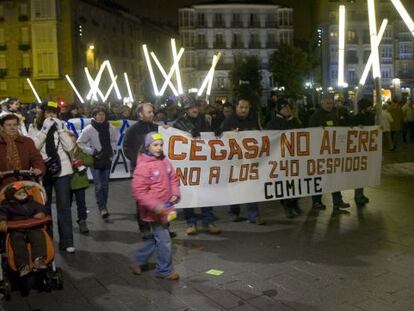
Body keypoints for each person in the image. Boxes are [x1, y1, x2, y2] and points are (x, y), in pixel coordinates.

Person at [130, 132, 180, 280]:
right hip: (154, 211)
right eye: (155, 145)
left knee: (157, 238)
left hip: (165, 208)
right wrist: (155, 206)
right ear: (147, 146)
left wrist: (175, 194)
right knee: (164, 240)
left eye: (161, 145)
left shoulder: (164, 161)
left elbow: (173, 179)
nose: (159, 148)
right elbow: (139, 192)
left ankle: (138, 260)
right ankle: (164, 271)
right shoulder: (143, 167)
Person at [28, 101, 75, 253]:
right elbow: (33, 148)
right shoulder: (33, 127)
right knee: (45, 207)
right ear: (42, 113)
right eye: (48, 112)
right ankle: (47, 239)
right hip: (44, 170)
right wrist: (44, 130)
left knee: (64, 207)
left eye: (53, 113)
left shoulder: (62, 126)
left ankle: (67, 241)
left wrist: (61, 130)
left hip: (63, 170)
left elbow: (69, 147)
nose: (51, 116)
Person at [174, 95, 221, 235]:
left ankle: (208, 221)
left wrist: (217, 132)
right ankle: (191, 222)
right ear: (186, 109)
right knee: (189, 193)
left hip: (203, 163)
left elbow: (210, 135)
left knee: (206, 192)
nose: (194, 109)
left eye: (195, 106)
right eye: (190, 107)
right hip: (187, 164)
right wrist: (190, 132)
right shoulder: (179, 123)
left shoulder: (205, 120)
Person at [219, 99, 265, 225]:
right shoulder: (229, 121)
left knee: (252, 187)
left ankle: (254, 215)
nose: (244, 110)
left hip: (250, 160)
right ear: (236, 107)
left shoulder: (253, 120)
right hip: (234, 162)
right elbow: (219, 137)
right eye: (241, 107)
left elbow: (261, 135)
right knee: (235, 187)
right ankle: (234, 212)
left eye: (246, 107)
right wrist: (228, 135)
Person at [308, 96, 350, 212]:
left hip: (332, 152)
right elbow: (310, 132)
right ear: (322, 104)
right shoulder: (315, 116)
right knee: (319, 178)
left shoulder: (333, 114)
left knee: (334, 177)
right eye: (327, 103)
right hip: (320, 153)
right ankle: (316, 201)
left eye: (331, 103)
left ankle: (337, 201)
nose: (330, 105)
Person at [123, 103, 158, 239]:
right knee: (143, 199)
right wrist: (138, 161)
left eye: (152, 112)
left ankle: (161, 227)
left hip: (156, 168)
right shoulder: (133, 130)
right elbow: (126, 148)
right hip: (141, 170)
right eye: (149, 112)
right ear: (140, 114)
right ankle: (144, 227)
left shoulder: (157, 128)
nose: (152, 114)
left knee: (159, 196)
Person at [77, 106, 118, 219]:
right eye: (99, 114)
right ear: (94, 115)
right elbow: (80, 142)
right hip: (95, 160)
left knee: (105, 185)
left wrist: (113, 152)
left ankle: (103, 205)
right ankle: (102, 208)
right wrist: (91, 151)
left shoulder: (111, 127)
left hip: (107, 158)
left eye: (103, 114)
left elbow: (114, 141)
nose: (101, 116)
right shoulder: (89, 129)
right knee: (98, 185)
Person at [0, 182, 48, 276]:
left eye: (24, 192)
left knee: (38, 236)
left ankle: (39, 259)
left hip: (32, 227)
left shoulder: (31, 202)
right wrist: (2, 221)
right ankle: (22, 265)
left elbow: (41, 207)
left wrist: (41, 212)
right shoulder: (8, 205)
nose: (23, 194)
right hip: (16, 230)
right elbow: (2, 213)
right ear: (11, 197)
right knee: (17, 242)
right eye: (19, 193)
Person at [266, 98, 302, 218]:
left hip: (295, 158)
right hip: (281, 159)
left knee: (297, 182)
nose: (287, 109)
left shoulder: (296, 122)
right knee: (284, 184)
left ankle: (295, 204)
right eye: (284, 107)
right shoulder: (273, 123)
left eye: (288, 107)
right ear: (279, 109)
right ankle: (287, 206)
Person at [0, 114, 45, 178]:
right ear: (2, 127)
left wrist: (39, 168)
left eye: (15, 125)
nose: (12, 128)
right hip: (3, 182)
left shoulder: (27, 142)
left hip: (23, 180)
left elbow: (36, 158)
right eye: (8, 125)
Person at [68, 132, 93, 234]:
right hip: (66, 183)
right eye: (70, 141)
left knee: (81, 204)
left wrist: (81, 161)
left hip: (79, 181)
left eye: (74, 141)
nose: (73, 143)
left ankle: (82, 221)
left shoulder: (81, 150)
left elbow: (90, 160)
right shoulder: (62, 151)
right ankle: (67, 222)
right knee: (66, 205)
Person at [352, 99, 374, 206]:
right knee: (359, 174)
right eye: (369, 106)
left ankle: (361, 193)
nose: (371, 108)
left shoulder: (370, 117)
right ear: (364, 107)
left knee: (364, 173)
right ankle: (358, 195)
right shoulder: (356, 118)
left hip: (367, 149)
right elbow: (350, 131)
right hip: (358, 151)